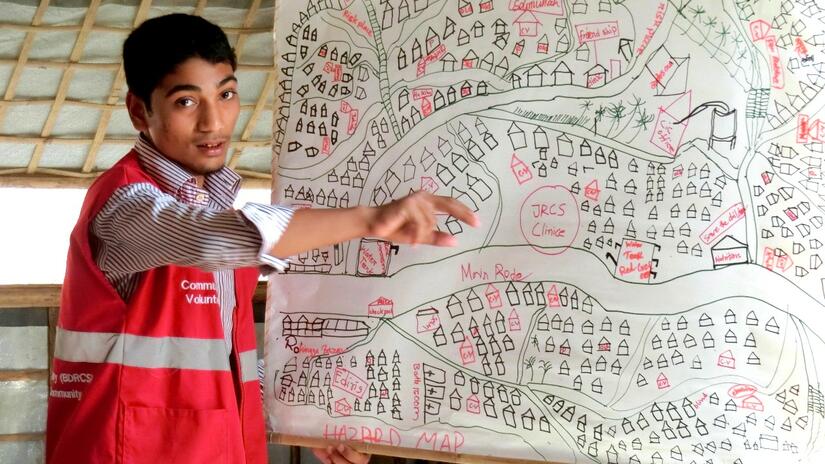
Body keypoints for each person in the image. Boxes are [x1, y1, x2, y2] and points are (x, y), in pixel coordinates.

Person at [46, 13, 477, 464]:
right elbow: (212, 240)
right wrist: (371, 220)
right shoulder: (125, 206)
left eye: (226, 94)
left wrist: (306, 425)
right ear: (140, 110)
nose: (215, 122)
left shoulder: (215, 211)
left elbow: (226, 363)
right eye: (186, 102)